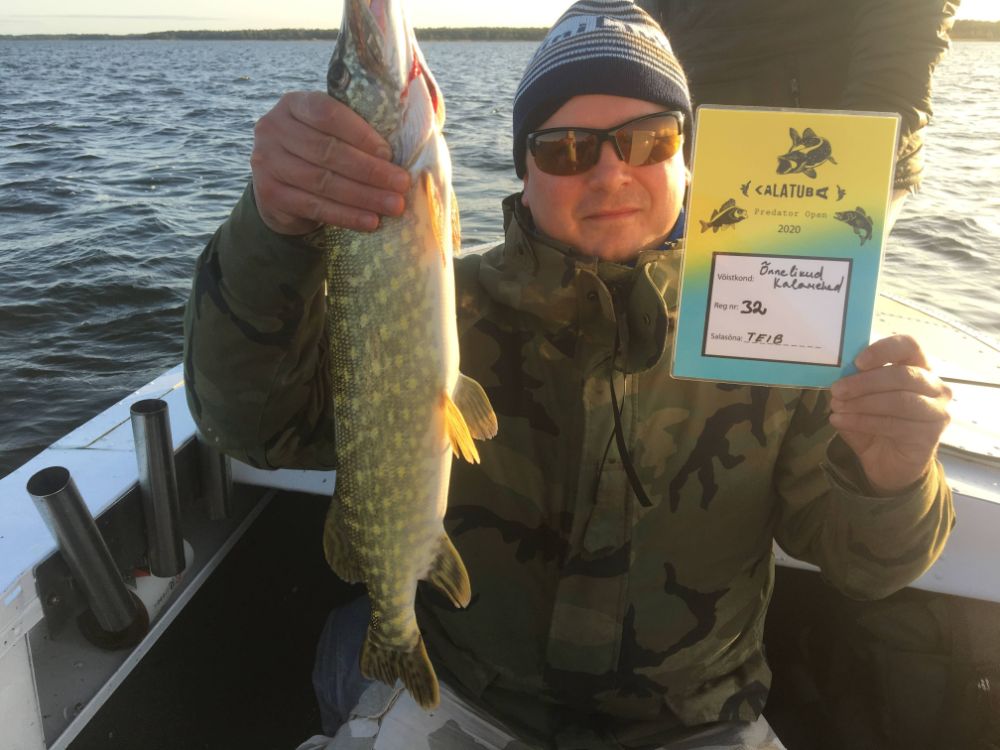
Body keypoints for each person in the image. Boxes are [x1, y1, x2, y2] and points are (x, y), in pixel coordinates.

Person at [183, 1, 954, 748]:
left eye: (649, 140)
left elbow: (866, 565)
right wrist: (272, 229)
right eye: (568, 149)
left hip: (698, 722)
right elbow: (250, 426)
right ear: (524, 168)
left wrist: (893, 480)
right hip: (468, 699)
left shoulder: (778, 320)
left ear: (688, 159)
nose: (612, 174)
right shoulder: (450, 308)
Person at [636, 0, 960, 229]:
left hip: (816, 154)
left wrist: (859, 156)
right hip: (687, 146)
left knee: (791, 295)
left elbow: (906, 28)